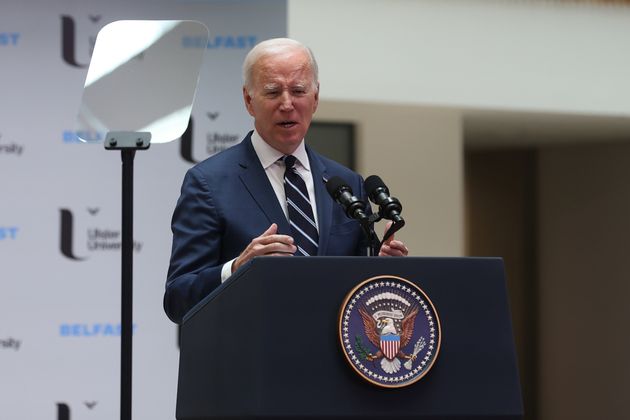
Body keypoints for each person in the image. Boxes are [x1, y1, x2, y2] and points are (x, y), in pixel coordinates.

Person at [164, 38, 408, 323]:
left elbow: (355, 288)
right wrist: (237, 268)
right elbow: (177, 298)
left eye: (298, 90)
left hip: (333, 359)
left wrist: (380, 270)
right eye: (272, 91)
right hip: (253, 359)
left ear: (315, 98)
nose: (287, 103)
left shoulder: (346, 183)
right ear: (248, 100)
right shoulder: (208, 183)